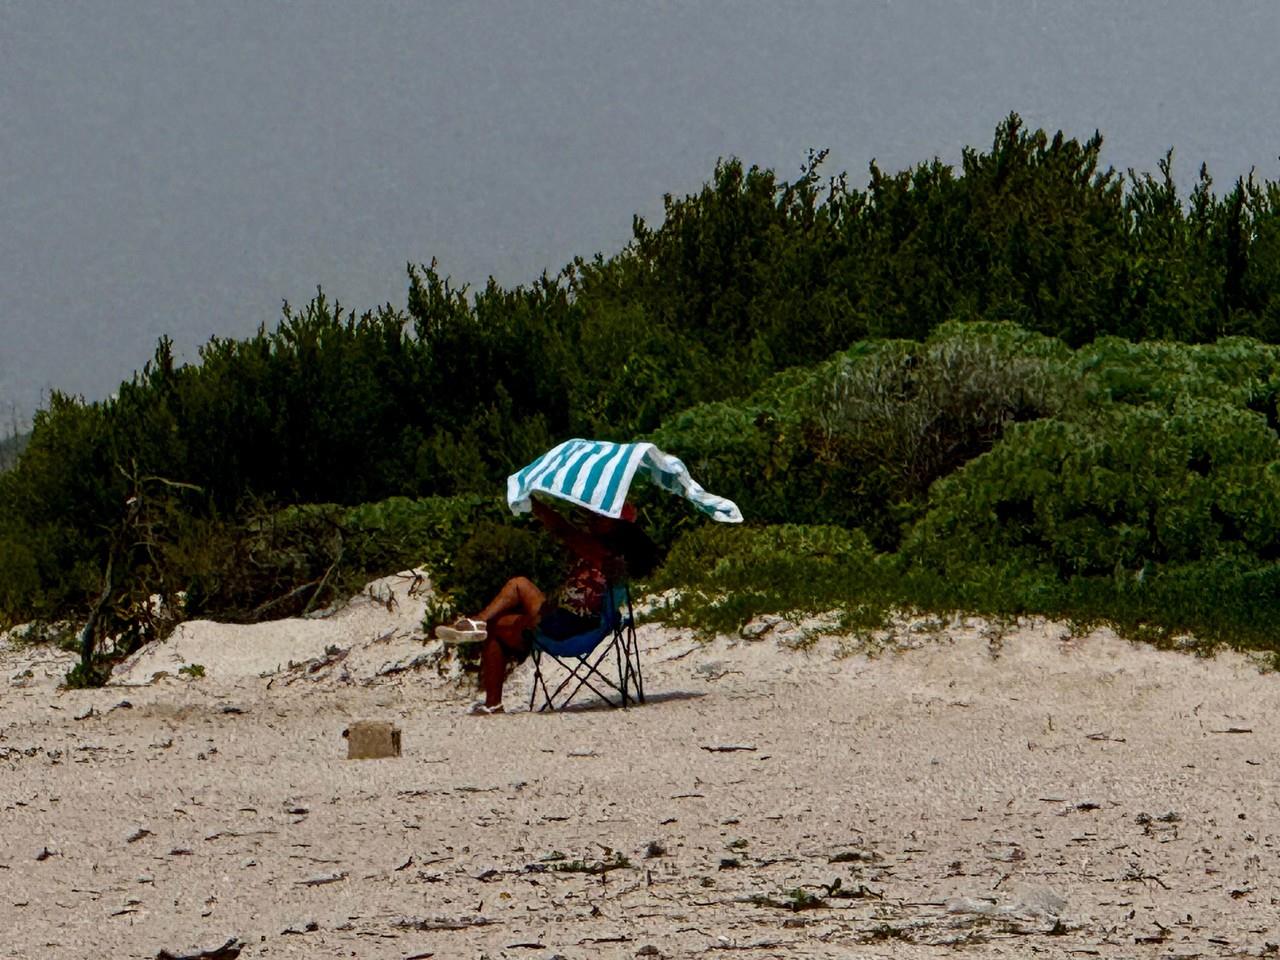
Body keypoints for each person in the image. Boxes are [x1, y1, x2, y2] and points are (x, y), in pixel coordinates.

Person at [438, 498, 657, 715]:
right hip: (585, 624)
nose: (591, 518)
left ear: (615, 525)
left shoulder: (603, 553)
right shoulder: (620, 556)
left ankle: (492, 701)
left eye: (599, 516)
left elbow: (562, 529)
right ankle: (478, 622)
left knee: (496, 627)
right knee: (519, 584)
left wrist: (533, 503)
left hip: (568, 628)